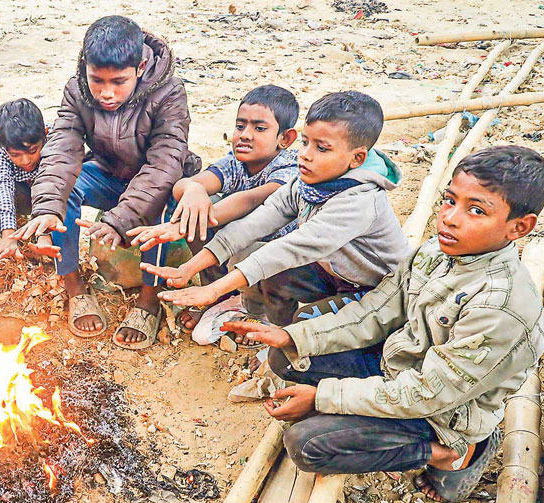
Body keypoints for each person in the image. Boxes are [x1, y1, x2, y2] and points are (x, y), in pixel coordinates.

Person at [225, 146, 544, 503]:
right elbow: (376, 312)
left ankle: (456, 452)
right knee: (287, 355)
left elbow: (429, 393)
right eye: (449, 200)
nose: (450, 218)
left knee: (305, 445)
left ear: (520, 227)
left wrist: (324, 396)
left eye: (476, 210)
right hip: (403, 366)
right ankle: (357, 406)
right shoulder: (435, 252)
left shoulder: (499, 306)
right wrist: (292, 335)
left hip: (445, 408)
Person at [145, 91, 410, 349]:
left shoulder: (360, 202)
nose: (305, 154)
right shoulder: (307, 183)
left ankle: (286, 348)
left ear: (358, 158)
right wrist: (188, 268)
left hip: (375, 290)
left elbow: (289, 249)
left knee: (304, 331)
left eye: (322, 148)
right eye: (305, 142)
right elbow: (253, 224)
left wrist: (214, 290)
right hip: (334, 274)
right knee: (269, 275)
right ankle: (273, 332)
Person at [13, 15, 199, 349]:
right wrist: (46, 207)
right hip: (107, 174)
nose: (106, 93)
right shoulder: (76, 90)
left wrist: (120, 219)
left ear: (140, 67)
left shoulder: (170, 92)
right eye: (97, 80)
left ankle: (149, 298)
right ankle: (73, 284)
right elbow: (61, 149)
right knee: (63, 193)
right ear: (85, 66)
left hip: (155, 179)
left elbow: (164, 162)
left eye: (118, 81)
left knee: (161, 198)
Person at [128, 84, 299, 332]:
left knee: (208, 218)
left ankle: (260, 313)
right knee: (195, 205)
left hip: (272, 256)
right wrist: (193, 189)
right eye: (240, 126)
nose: (245, 135)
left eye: (259, 128)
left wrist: (186, 223)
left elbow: (251, 200)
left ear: (285, 138)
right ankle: (216, 295)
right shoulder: (235, 162)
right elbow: (183, 187)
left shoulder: (289, 167)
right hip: (232, 245)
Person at [0, 98, 52, 261]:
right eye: (15, 155)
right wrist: (9, 235)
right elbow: (2, 187)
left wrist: (45, 232)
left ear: (44, 136)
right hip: (22, 192)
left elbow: (54, 185)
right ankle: (14, 227)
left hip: (51, 194)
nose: (25, 161)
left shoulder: (57, 137)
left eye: (32, 151)